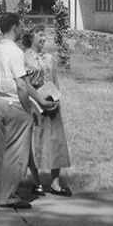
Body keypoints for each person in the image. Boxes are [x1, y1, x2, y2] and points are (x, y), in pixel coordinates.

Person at [0, 11, 36, 209]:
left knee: (1, 151)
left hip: (0, 102)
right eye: (20, 26)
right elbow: (22, 85)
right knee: (17, 152)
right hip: (15, 104)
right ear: (15, 27)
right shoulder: (16, 52)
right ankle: (9, 195)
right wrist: (29, 108)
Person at [20, 28, 72, 195]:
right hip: (35, 104)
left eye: (44, 35)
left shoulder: (49, 58)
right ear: (31, 37)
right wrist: (39, 101)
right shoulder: (25, 57)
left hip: (51, 104)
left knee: (56, 141)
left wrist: (56, 99)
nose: (43, 38)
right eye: (40, 34)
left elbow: (54, 80)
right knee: (35, 142)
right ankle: (37, 182)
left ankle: (55, 183)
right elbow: (26, 84)